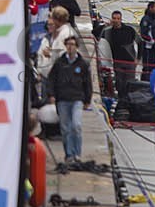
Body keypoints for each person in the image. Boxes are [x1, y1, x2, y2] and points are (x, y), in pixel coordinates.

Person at [48, 34, 92, 167]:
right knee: (65, 128)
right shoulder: (59, 63)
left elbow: (87, 83)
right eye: (68, 45)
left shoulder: (82, 64)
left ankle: (77, 153)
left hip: (77, 98)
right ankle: (69, 154)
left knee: (76, 125)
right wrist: (51, 94)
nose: (70, 47)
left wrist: (87, 99)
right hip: (62, 99)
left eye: (72, 45)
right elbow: (51, 79)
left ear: (76, 47)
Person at [102, 11, 138, 104]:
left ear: (121, 19)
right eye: (114, 18)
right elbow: (96, 34)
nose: (116, 21)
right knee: (119, 84)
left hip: (130, 61)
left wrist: (138, 58)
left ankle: (130, 103)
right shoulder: (108, 31)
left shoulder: (129, 30)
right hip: (117, 61)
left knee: (130, 84)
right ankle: (121, 102)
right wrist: (105, 26)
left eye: (118, 19)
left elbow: (140, 42)